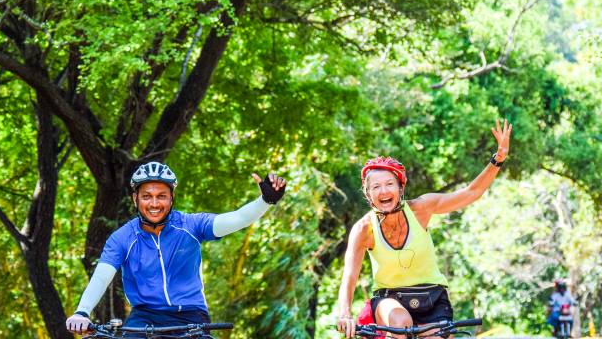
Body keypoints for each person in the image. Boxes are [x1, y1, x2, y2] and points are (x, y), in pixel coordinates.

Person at [336, 119, 513, 338]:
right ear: (368, 193)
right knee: (400, 323)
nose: (383, 191)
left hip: (433, 298)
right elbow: (350, 276)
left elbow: (470, 193)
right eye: (376, 187)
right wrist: (344, 313)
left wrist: (499, 159)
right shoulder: (364, 229)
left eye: (389, 184)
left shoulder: (421, 210)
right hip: (390, 299)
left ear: (401, 188)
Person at [65, 161, 287, 335]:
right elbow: (102, 277)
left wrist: (265, 201)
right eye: (146, 197)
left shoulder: (191, 225)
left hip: (191, 316)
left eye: (161, 196)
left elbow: (237, 218)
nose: (154, 204)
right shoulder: (122, 238)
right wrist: (82, 312)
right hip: (144, 318)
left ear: (171, 198)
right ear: (135, 199)